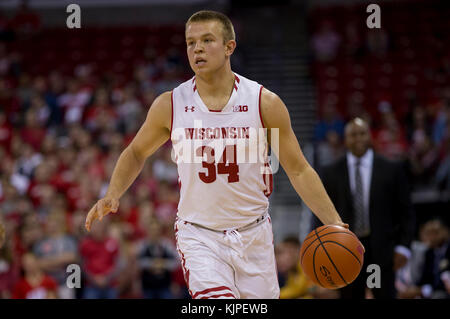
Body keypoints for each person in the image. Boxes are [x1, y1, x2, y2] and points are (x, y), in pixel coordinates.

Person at [85, 10, 347, 299]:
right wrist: (114, 192)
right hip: (200, 234)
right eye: (190, 42)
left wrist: (332, 221)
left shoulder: (264, 102)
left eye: (207, 40)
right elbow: (136, 151)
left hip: (254, 234)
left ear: (229, 47)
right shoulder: (170, 105)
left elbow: (298, 169)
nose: (197, 48)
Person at [316, 117, 415, 298]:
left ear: (370, 136)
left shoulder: (391, 168)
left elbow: (406, 212)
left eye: (362, 133)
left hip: (380, 251)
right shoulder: (331, 172)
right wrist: (323, 248)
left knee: (381, 294)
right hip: (346, 250)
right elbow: (321, 210)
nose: (358, 138)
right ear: (345, 139)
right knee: (350, 296)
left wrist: (403, 246)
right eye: (353, 135)